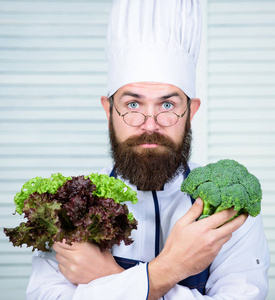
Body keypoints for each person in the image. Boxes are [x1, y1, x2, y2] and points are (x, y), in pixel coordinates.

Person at [26, 0, 270, 299]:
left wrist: (112, 279)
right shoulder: (72, 204)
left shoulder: (228, 210)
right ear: (109, 111)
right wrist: (166, 272)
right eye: (133, 105)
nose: (150, 125)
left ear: (191, 112)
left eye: (167, 105)